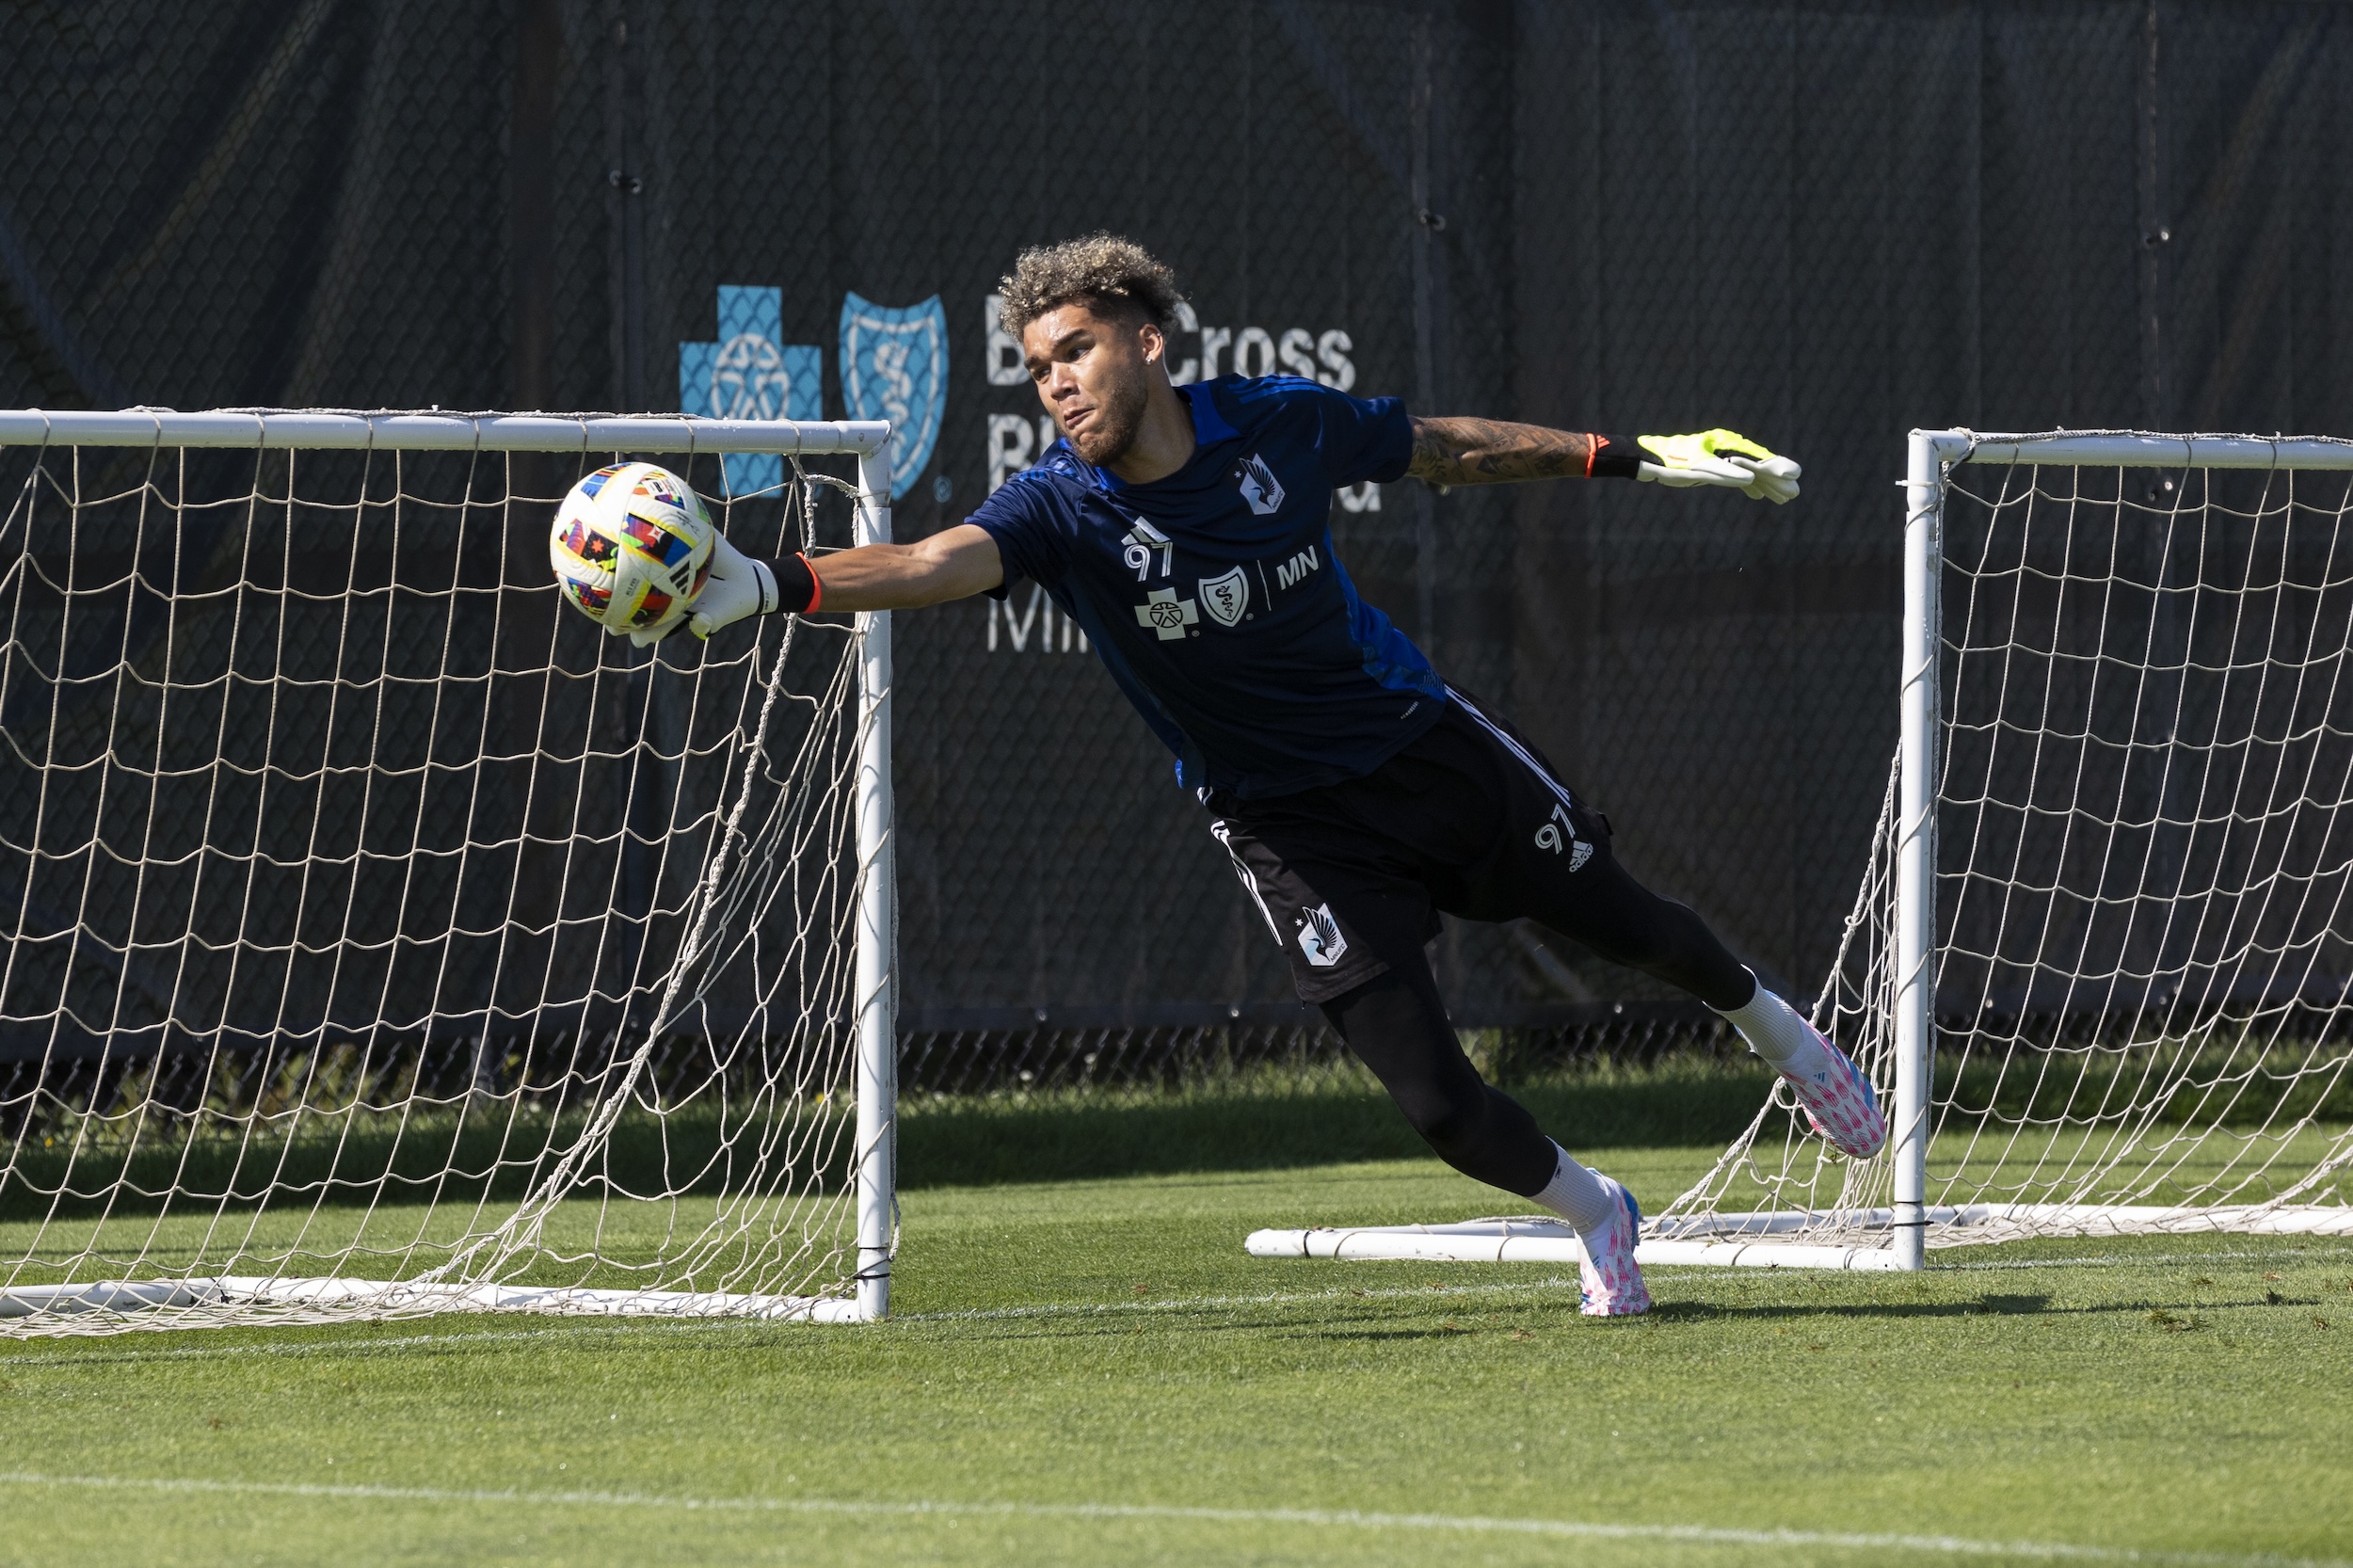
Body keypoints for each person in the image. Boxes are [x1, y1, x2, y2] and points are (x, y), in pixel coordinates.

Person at [680, 233, 1883, 1317]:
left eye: (1077, 350)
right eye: (1037, 366)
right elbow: (942, 559)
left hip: (1423, 747)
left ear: (1147, 343)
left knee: (1639, 930)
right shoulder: (1058, 504)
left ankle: (1780, 1033)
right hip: (1286, 825)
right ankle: (1596, 1212)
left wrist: (1634, 457)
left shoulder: (1275, 422)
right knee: (1438, 1107)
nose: (1054, 382)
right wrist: (776, 582)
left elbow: (1443, 451)